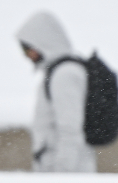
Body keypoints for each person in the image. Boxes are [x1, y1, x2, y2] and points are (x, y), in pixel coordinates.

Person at [14, 11, 98, 173]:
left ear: (42, 43)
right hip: (60, 173)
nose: (26, 56)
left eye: (27, 49)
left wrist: (61, 179)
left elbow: (70, 131)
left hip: (68, 177)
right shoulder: (58, 72)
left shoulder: (64, 75)